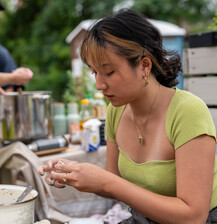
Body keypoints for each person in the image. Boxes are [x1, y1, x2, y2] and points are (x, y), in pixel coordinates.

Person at [38, 9, 217, 223]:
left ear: (144, 65)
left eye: (109, 72)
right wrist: (74, 172)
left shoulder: (187, 112)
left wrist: (107, 182)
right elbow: (114, 182)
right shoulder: (117, 110)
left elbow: (193, 216)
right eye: (94, 72)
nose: (99, 85)